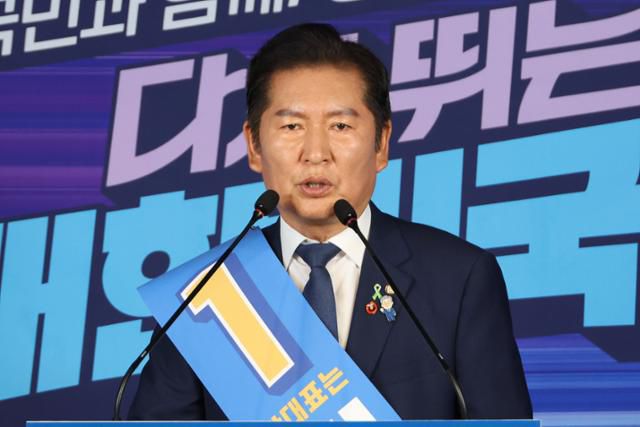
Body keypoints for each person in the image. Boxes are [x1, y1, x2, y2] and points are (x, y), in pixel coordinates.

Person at [129, 23, 532, 420]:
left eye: (340, 126)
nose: (316, 152)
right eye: (292, 126)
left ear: (381, 143)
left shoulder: (458, 278)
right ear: (254, 145)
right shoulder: (204, 294)